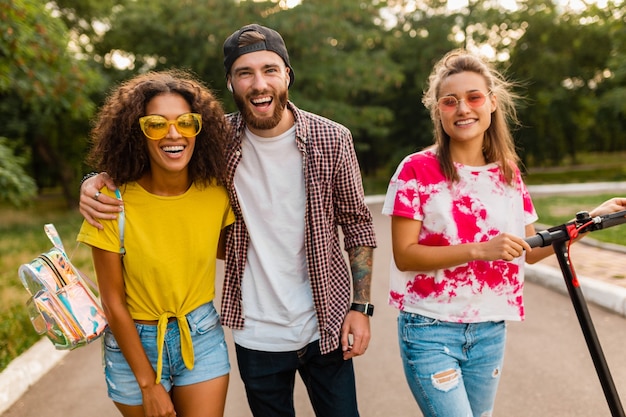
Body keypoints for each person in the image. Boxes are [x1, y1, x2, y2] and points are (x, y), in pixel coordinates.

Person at [78, 24, 376, 417]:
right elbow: (155, 154)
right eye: (244, 73)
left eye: (270, 69)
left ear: (287, 73)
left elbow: (358, 224)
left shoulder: (331, 139)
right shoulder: (217, 141)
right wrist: (94, 181)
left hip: (327, 320)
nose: (259, 83)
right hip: (257, 332)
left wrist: (361, 307)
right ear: (231, 84)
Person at [381, 48, 626, 417]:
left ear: (491, 103)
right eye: (450, 101)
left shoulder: (506, 172)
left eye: (473, 97)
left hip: (489, 329)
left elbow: (529, 247)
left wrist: (589, 219)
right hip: (429, 328)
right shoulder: (417, 169)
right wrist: (480, 250)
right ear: (438, 111)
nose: (463, 108)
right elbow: (405, 254)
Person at [77, 69, 234, 417]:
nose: (173, 134)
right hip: (134, 344)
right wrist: (148, 384)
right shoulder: (110, 201)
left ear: (199, 128)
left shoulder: (216, 193)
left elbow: (227, 248)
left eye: (186, 122)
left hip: (201, 335)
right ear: (138, 133)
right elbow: (113, 301)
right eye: (156, 124)